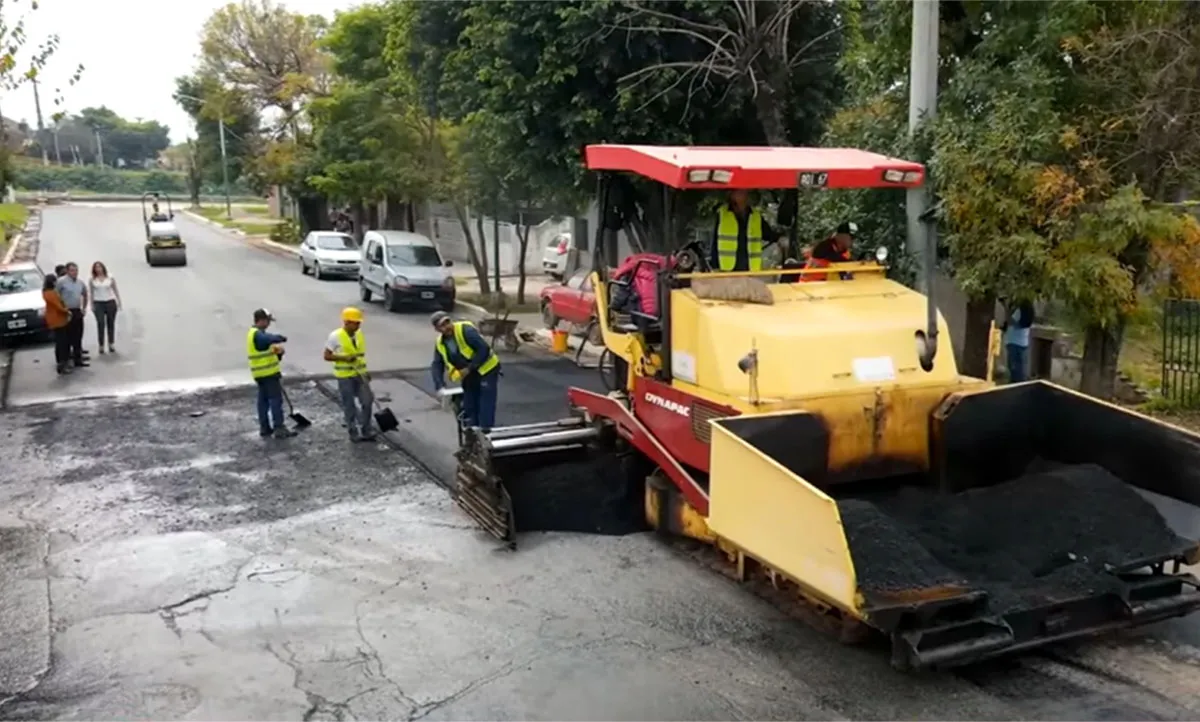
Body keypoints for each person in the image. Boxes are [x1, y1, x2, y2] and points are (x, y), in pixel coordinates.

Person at [429, 310, 501, 431]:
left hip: (487, 370)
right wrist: (439, 386)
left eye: (447, 322)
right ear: (437, 329)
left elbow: (484, 349)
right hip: (469, 375)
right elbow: (437, 364)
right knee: (469, 406)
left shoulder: (465, 330)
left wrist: (469, 368)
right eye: (442, 325)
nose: (447, 327)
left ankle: (486, 434)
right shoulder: (440, 343)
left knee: (485, 406)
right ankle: (472, 437)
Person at [324, 306, 375, 442]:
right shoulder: (335, 336)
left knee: (367, 401)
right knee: (349, 404)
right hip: (345, 376)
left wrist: (365, 372)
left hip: (360, 374)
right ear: (346, 322)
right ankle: (353, 431)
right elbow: (327, 356)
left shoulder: (359, 334)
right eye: (356, 323)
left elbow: (361, 356)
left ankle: (366, 429)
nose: (358, 326)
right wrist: (344, 358)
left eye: (359, 323)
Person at [248, 308, 297, 439]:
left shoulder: (255, 334)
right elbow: (267, 339)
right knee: (275, 400)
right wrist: (279, 338)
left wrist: (278, 353)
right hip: (268, 374)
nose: (269, 324)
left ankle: (265, 428)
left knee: (263, 402)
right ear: (261, 320)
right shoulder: (257, 334)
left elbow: (264, 350)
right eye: (267, 321)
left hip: (260, 375)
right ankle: (279, 428)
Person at [709, 189, 782, 272]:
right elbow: (715, 242)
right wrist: (715, 266)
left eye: (745, 192)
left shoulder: (756, 216)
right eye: (739, 192)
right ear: (731, 195)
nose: (744, 194)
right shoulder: (722, 214)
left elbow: (768, 234)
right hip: (727, 269)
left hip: (750, 268)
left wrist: (780, 239)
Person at [55, 262, 89, 368]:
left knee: (78, 336)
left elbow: (85, 294)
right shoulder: (61, 282)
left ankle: (78, 359)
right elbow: (55, 296)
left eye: (76, 270)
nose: (75, 272)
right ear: (67, 271)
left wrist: (84, 308)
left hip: (77, 310)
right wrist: (61, 309)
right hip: (66, 311)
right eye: (72, 270)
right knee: (66, 338)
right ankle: (65, 360)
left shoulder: (80, 282)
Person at [89, 261, 121, 354]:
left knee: (111, 323)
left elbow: (115, 289)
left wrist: (119, 301)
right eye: (96, 268)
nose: (98, 269)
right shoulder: (92, 279)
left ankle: (111, 343)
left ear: (103, 268)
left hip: (110, 301)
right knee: (101, 323)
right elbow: (91, 292)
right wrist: (91, 304)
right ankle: (101, 345)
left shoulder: (110, 277)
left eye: (100, 267)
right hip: (98, 303)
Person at [42, 274, 71, 375]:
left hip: (57, 320)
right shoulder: (50, 293)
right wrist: (67, 311)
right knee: (61, 343)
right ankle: (62, 365)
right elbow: (58, 306)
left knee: (61, 342)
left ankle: (63, 363)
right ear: (52, 282)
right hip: (57, 320)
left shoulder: (48, 292)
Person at [1002, 299, 1036, 383]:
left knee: (1014, 369)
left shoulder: (1019, 311)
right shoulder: (1029, 311)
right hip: (1023, 343)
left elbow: (1010, 321)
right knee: (1021, 369)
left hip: (1014, 342)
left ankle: (1014, 388)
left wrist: (1006, 307)